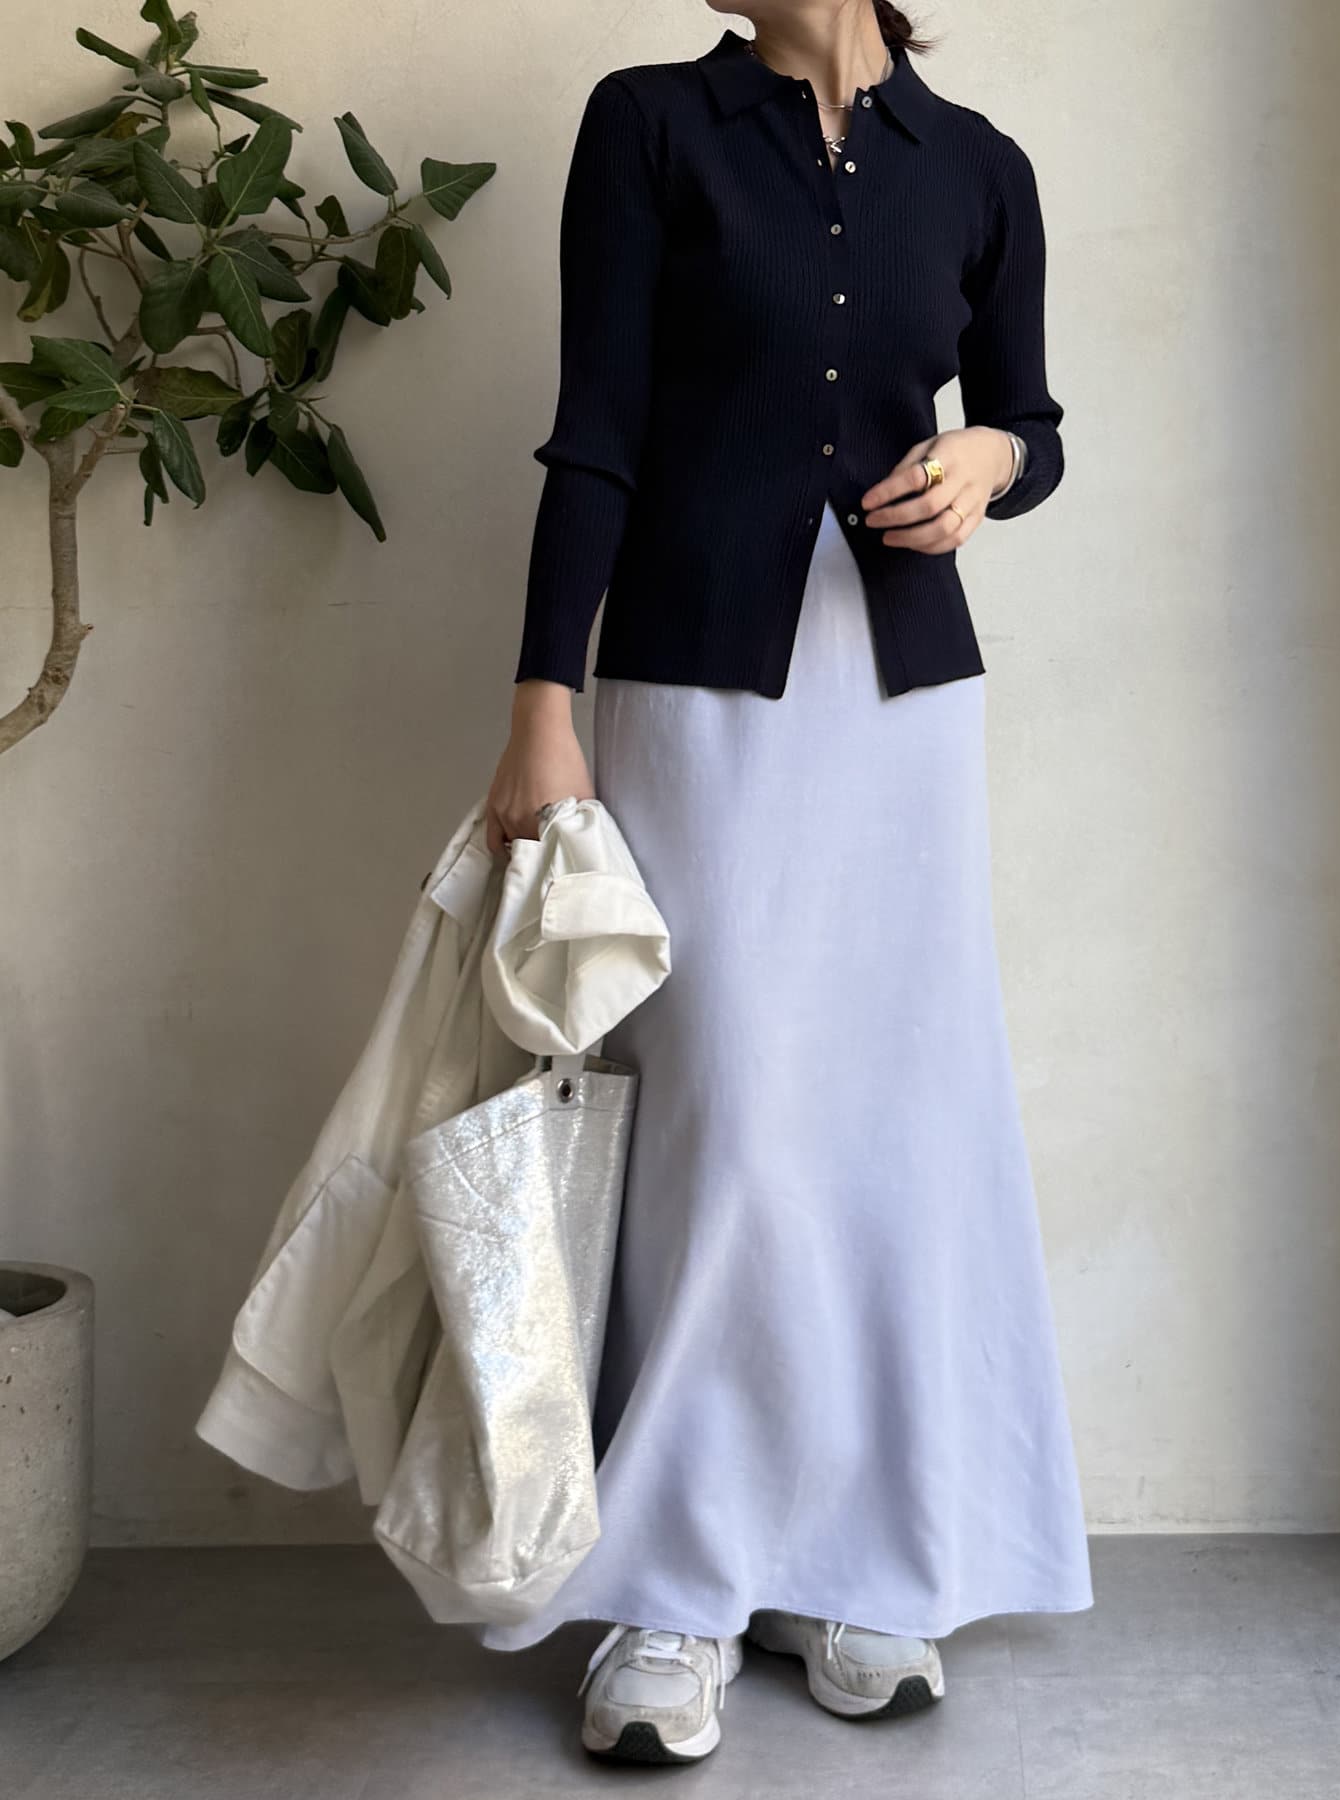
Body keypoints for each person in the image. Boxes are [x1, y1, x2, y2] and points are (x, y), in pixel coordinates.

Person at [484, 0, 1094, 1765]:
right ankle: (675, 1583)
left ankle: (850, 1560)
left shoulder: (977, 169)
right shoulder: (652, 124)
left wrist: (993, 458)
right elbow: (595, 424)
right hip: (690, 691)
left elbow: (1032, 421)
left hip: (901, 705)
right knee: (728, 1120)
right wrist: (540, 704)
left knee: (891, 1124)